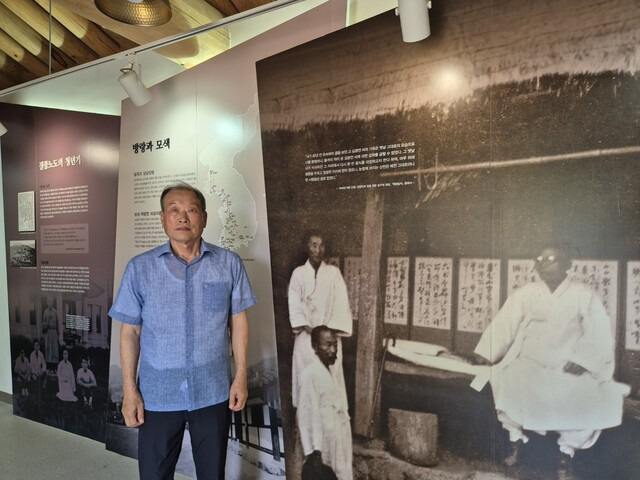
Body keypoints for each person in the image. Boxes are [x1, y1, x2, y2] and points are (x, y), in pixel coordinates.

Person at [109, 182, 256, 480]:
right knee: (154, 474)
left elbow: (238, 321)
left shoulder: (228, 264)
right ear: (162, 218)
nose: (183, 217)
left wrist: (240, 376)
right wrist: (129, 391)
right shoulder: (140, 268)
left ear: (203, 216)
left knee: (212, 473)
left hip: (212, 391)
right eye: (174, 210)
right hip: (158, 394)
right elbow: (130, 334)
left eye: (191, 210)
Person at [474, 246, 629, 476]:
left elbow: (598, 332)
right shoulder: (527, 292)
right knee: (506, 382)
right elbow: (505, 322)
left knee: (586, 396)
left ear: (567, 265)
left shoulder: (583, 295)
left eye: (550, 259)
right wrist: (487, 351)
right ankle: (516, 442)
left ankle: (565, 455)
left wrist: (583, 361)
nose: (543, 263)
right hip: (528, 361)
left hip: (566, 366)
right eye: (539, 259)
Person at [288, 231, 352, 411]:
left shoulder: (333, 274)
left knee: (330, 379)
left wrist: (326, 333)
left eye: (321, 245)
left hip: (328, 339)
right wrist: (309, 328)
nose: (318, 249)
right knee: (305, 379)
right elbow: (294, 304)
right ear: (307, 247)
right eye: (314, 245)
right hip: (305, 337)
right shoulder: (298, 274)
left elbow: (341, 304)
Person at [297, 326, 352, 480]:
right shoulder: (309, 374)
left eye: (335, 345)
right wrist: (313, 451)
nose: (333, 350)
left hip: (336, 440)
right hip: (320, 447)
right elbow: (305, 414)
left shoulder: (330, 373)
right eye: (328, 345)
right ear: (315, 347)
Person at [42, 295, 60, 365]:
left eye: (51, 301)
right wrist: (47, 323)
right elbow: (43, 324)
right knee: (48, 349)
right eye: (49, 301)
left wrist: (58, 334)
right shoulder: (45, 312)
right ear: (47, 302)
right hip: (48, 332)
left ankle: (54, 365)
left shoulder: (55, 312)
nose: (50, 303)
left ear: (53, 303)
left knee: (54, 349)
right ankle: (48, 365)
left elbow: (58, 323)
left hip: (54, 332)